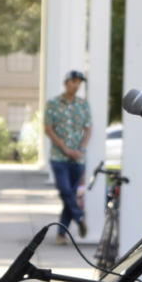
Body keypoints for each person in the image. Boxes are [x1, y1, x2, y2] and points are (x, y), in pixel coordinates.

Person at [45, 70, 92, 245]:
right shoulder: (53, 103)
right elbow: (48, 128)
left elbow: (88, 130)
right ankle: (79, 217)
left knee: (70, 195)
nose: (76, 85)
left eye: (79, 82)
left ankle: (61, 234)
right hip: (58, 157)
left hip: (77, 158)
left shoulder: (83, 104)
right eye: (73, 81)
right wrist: (64, 148)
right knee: (65, 191)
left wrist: (81, 149)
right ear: (66, 83)